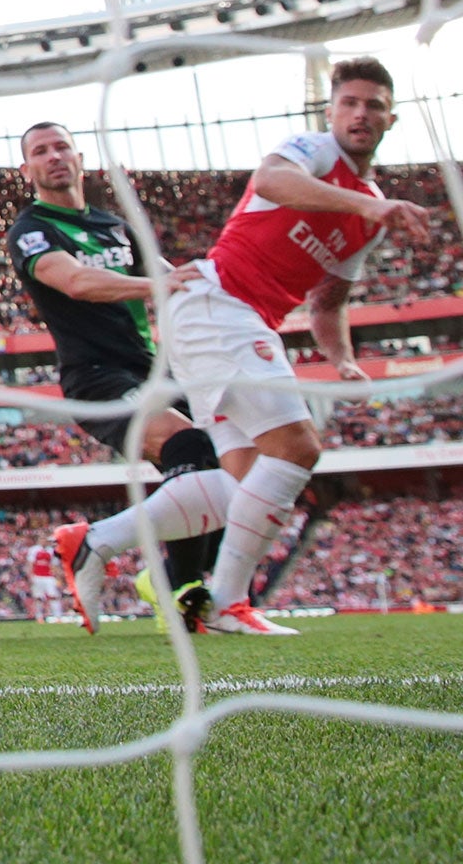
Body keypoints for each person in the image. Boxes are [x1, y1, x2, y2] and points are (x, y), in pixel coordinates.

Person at [139, 58, 426, 635]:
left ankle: (96, 545)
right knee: (298, 447)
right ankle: (223, 602)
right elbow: (268, 180)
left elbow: (327, 303)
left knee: (246, 479)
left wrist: (341, 359)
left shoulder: (367, 216)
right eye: (350, 103)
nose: (360, 114)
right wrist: (368, 204)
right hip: (220, 302)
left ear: (392, 118)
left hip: (241, 321)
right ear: (331, 111)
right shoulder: (315, 153)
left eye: (373, 105)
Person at [9, 123, 224, 634]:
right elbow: (78, 282)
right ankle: (96, 544)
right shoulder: (32, 229)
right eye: (40, 151)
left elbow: (175, 278)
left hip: (157, 371)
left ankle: (173, 583)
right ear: (27, 171)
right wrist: (161, 282)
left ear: (80, 158)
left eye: (62, 146)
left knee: (218, 465)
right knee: (187, 444)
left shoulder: (113, 226)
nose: (54, 156)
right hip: (98, 378)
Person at [25, 540, 62, 619]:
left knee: (53, 595)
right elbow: (30, 563)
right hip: (37, 576)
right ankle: (39, 616)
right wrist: (30, 576)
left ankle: (58, 616)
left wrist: (57, 577)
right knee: (38, 597)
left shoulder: (51, 551)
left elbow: (54, 565)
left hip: (49, 576)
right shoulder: (34, 550)